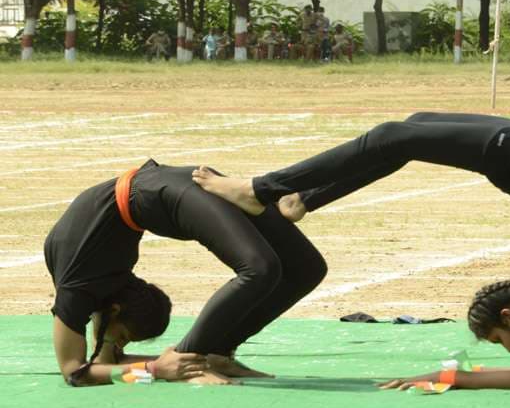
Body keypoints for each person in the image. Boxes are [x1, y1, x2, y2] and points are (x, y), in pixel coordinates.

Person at [192, 112, 510, 390]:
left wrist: (449, 375)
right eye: (500, 340)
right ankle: (264, 190)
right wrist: (446, 377)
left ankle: (300, 199)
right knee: (395, 135)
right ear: (509, 316)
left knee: (402, 134)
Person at [45, 159, 327, 387]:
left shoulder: (77, 287)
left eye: (121, 339)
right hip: (172, 183)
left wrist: (156, 368)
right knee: (306, 269)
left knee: (260, 269)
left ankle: (192, 360)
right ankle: (211, 355)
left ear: (115, 309)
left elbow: (75, 372)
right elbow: (106, 365)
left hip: (160, 193)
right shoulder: (102, 288)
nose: (118, 347)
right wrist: (154, 368)